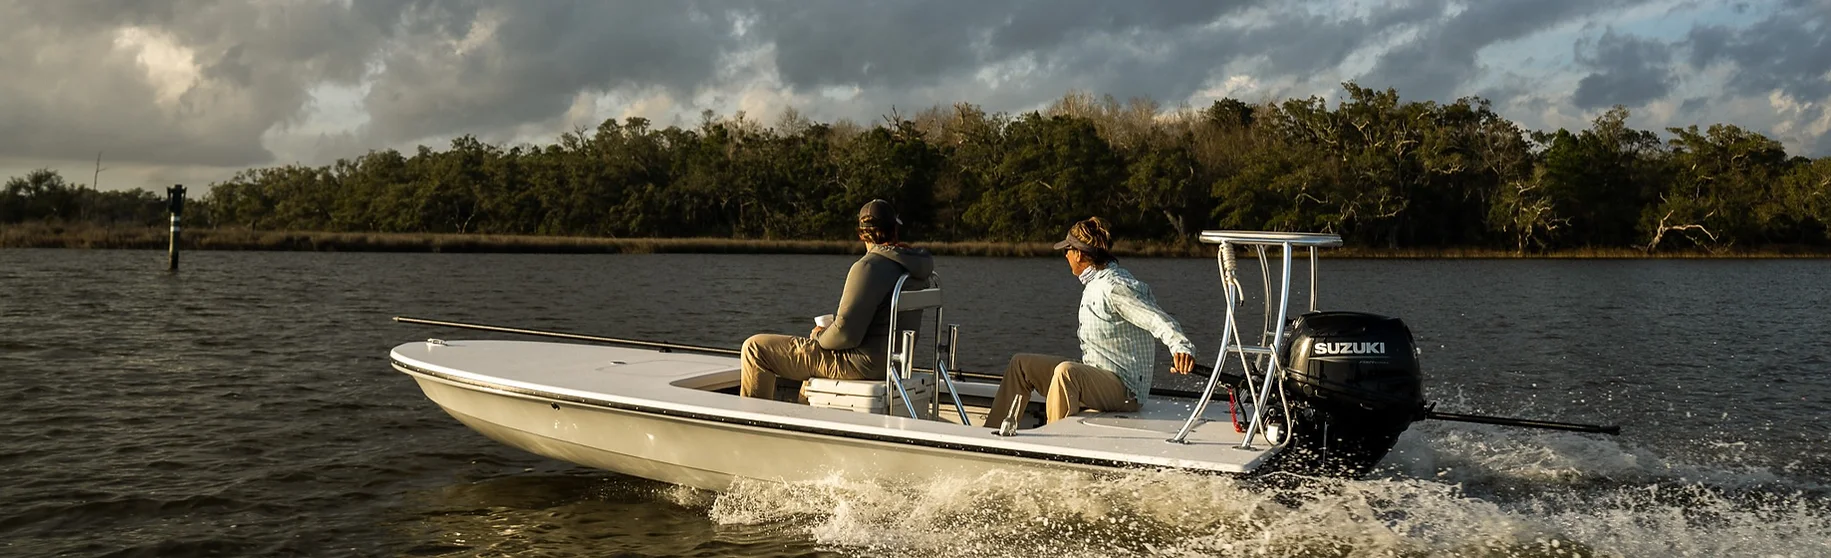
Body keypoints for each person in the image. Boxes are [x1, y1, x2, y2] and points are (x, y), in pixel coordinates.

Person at [984, 217, 1198, 426]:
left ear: (1078, 254)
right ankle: (990, 438)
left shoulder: (1114, 286)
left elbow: (1155, 318)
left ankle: (1055, 449)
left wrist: (1180, 347)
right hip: (1098, 374)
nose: (1065, 255)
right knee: (1021, 364)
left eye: (1067, 250)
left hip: (1125, 390)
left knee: (1066, 373)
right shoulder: (1096, 282)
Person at [740, 200, 935, 400]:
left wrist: (819, 336)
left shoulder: (869, 267)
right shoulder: (916, 268)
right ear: (895, 229)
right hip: (895, 364)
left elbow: (846, 336)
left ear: (861, 234)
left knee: (755, 349)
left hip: (861, 365)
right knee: (813, 366)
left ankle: (752, 426)